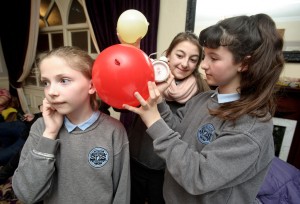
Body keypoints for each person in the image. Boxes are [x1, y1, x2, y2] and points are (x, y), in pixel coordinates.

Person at [123, 13, 284, 203]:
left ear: (244, 63)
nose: (204, 65)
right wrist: (158, 102)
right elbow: (176, 130)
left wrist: (153, 120)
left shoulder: (251, 127)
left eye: (214, 58)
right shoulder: (204, 99)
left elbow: (197, 176)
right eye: (205, 57)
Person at [12, 46, 130, 204]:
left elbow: (122, 190)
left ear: (91, 86)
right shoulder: (41, 128)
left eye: (64, 80)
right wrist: (50, 134)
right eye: (46, 82)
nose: (51, 91)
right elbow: (26, 194)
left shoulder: (114, 131)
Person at [128, 31, 210, 204]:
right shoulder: (148, 78)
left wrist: (160, 100)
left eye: (193, 59)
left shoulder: (200, 95)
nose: (185, 63)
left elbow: (179, 132)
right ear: (168, 55)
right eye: (179, 55)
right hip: (134, 161)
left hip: (166, 171)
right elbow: (122, 105)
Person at [0, 105, 43, 184]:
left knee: (2, 157)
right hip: (23, 126)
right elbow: (41, 115)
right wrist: (34, 116)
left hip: (27, 138)